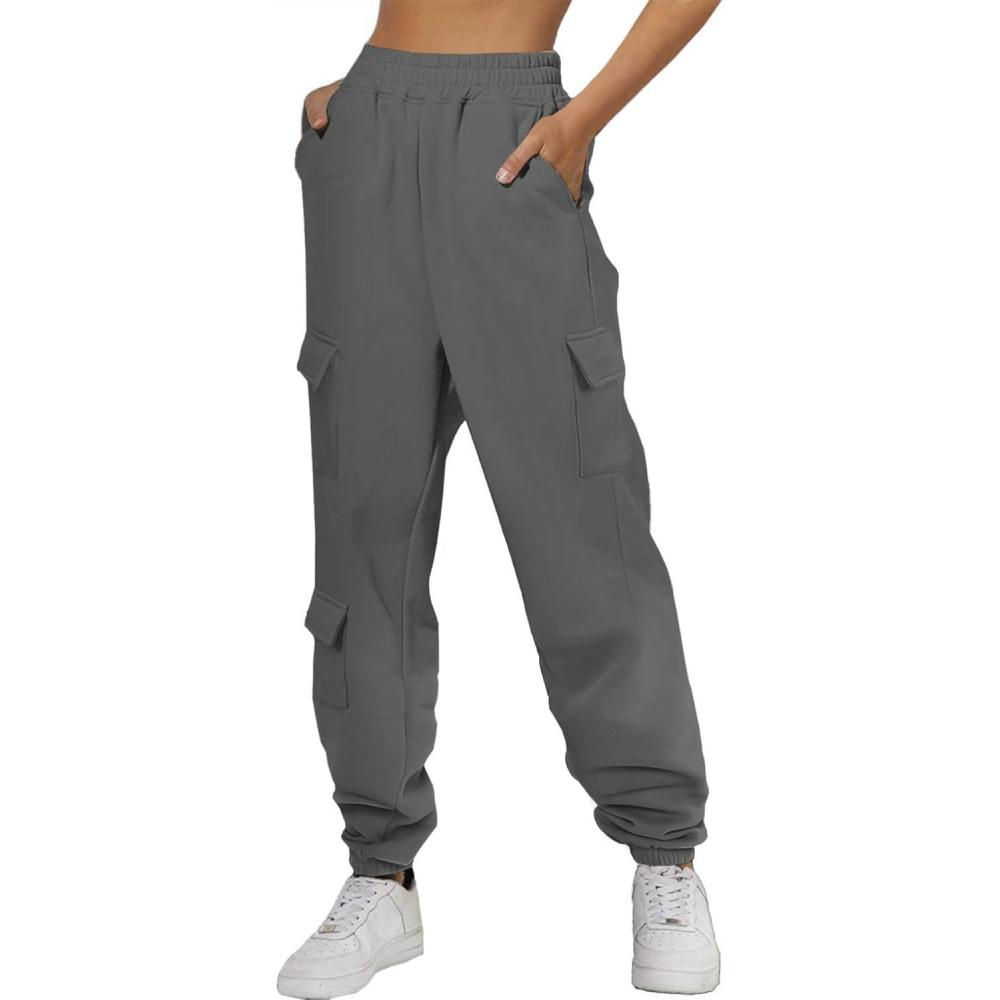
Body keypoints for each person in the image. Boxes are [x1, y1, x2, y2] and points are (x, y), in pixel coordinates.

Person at [279, 1, 723, 995]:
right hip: (368, 132)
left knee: (582, 522)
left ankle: (664, 853)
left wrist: (584, 120)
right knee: (363, 527)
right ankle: (380, 870)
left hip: (514, 139)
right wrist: (365, 96)